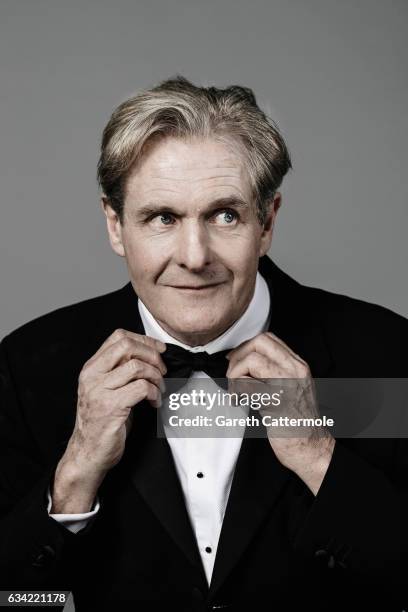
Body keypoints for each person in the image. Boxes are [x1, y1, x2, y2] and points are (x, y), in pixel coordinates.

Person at [1, 76, 407, 612]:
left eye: (224, 215)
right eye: (162, 218)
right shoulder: (25, 369)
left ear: (267, 223)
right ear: (116, 226)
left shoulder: (387, 354)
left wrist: (317, 456)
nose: (195, 256)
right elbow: (17, 602)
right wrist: (74, 477)